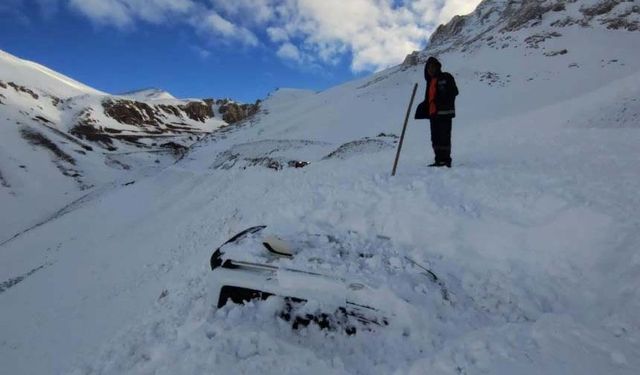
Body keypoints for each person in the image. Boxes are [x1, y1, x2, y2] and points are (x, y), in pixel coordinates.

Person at [421, 56, 458, 168]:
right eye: (428, 68)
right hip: (434, 114)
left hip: (445, 112)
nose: (430, 70)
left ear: (437, 67)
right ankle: (438, 160)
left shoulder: (446, 77)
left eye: (432, 67)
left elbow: (454, 92)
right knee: (435, 138)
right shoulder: (430, 82)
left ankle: (446, 160)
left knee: (444, 137)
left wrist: (442, 100)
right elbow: (429, 98)